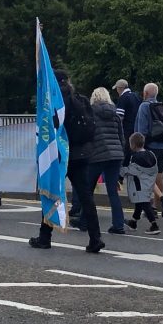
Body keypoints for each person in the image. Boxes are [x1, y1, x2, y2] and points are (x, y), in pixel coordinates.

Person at [29, 70, 104, 253]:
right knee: (86, 196)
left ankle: (45, 237)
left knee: (51, 192)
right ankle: (96, 238)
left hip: (61, 154)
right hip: (82, 154)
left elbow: (50, 129)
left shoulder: (55, 103)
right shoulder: (82, 100)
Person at [86, 87, 126, 234]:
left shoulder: (91, 113)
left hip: (98, 154)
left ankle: (85, 221)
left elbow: (89, 135)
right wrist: (121, 153)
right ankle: (118, 224)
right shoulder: (115, 114)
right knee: (112, 192)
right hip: (116, 155)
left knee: (88, 190)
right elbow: (121, 137)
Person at [134, 82, 163, 217]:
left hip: (150, 146)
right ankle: (156, 206)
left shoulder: (144, 107)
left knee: (144, 177)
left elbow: (141, 130)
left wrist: (138, 148)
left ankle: (150, 207)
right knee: (159, 175)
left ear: (145, 94)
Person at [123, 133, 160, 235]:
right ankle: (133, 222)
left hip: (139, 184)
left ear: (133, 145)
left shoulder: (135, 157)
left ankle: (154, 225)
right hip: (149, 182)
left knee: (144, 204)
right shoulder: (150, 154)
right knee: (139, 203)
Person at [113, 78, 142, 164]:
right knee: (134, 150)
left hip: (126, 129)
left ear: (120, 88)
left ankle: (122, 174)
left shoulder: (123, 98)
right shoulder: (136, 96)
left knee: (125, 152)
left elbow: (119, 117)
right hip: (136, 128)